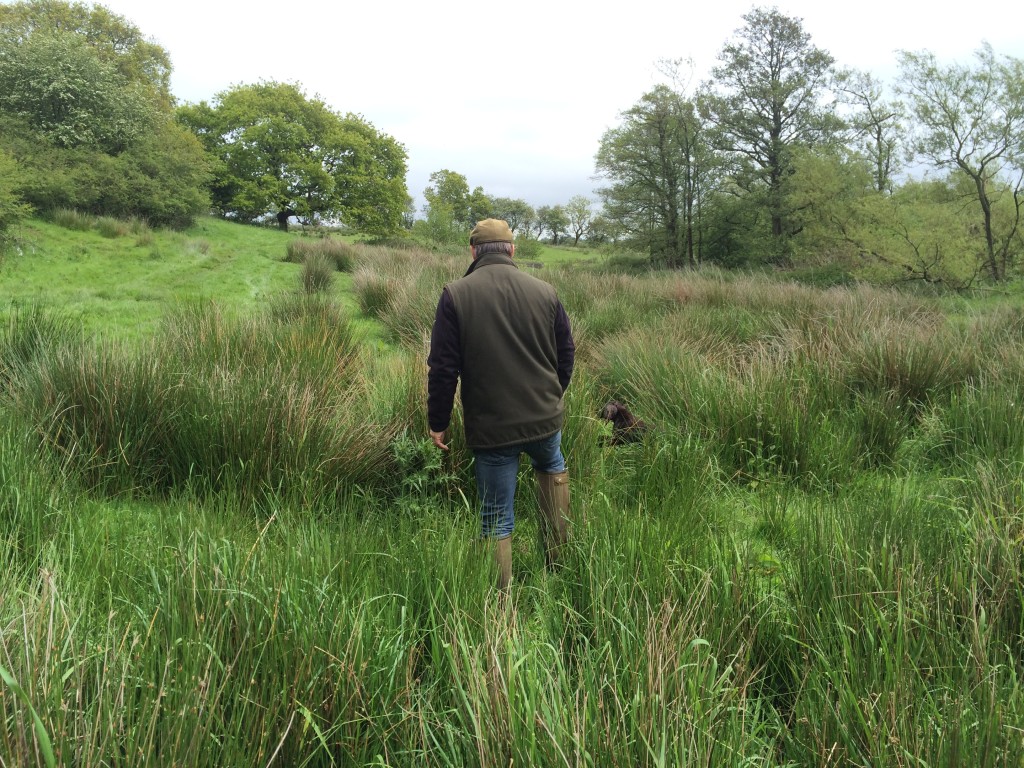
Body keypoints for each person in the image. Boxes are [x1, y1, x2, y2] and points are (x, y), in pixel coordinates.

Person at [427, 218, 575, 590]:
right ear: (511, 249)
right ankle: (558, 569)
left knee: (495, 517)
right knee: (553, 467)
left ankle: (500, 605)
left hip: (493, 430)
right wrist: (552, 396)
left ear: (474, 251)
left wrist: (438, 421)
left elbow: (443, 368)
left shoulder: (455, 294)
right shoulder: (545, 291)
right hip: (546, 421)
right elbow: (566, 353)